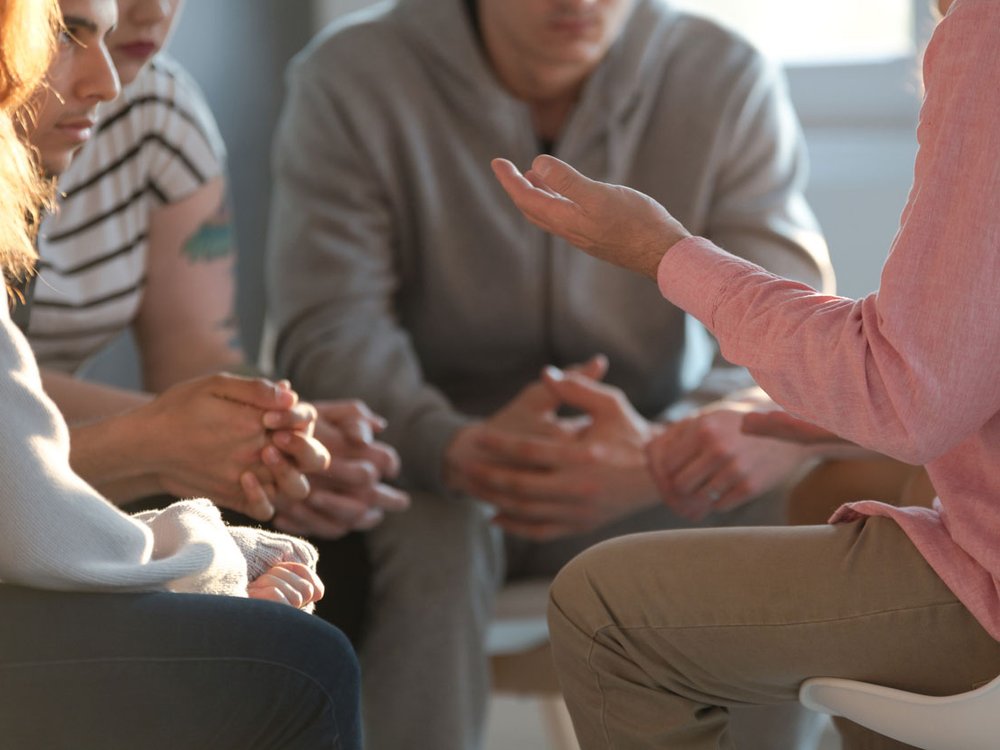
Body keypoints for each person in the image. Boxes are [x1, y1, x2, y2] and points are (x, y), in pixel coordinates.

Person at [266, 0, 834, 746]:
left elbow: (793, 329)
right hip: (433, 470)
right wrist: (450, 446)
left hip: (646, 468)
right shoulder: (352, 75)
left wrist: (668, 450)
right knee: (423, 529)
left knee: (790, 492)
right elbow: (331, 325)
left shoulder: (722, 74)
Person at [491, 0, 1000, 746]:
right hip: (472, 464)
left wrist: (665, 253)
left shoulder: (983, 32)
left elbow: (915, 390)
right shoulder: (364, 73)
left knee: (604, 610)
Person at [0, 0, 361, 746]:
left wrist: (264, 432)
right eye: (66, 31)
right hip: (28, 487)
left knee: (322, 529)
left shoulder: (162, 111)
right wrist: (210, 557)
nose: (105, 79)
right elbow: (20, 501)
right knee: (301, 663)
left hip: (33, 477)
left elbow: (198, 365)